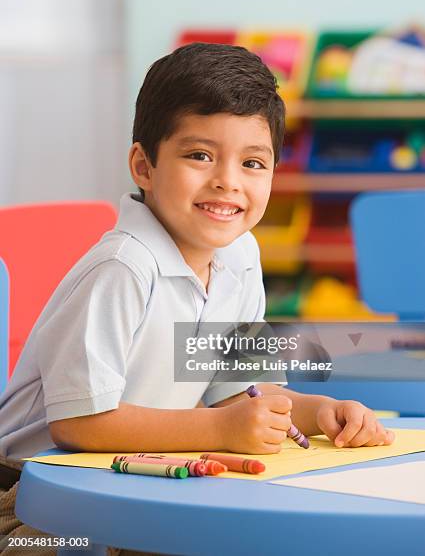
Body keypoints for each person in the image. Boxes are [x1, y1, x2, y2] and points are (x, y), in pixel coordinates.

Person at [0, 43, 394, 555]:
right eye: (199, 155)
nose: (227, 181)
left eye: (253, 162)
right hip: (36, 502)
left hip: (142, 481)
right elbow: (78, 424)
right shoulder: (122, 267)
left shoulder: (243, 256)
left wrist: (318, 412)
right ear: (144, 166)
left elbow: (241, 395)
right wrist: (218, 427)